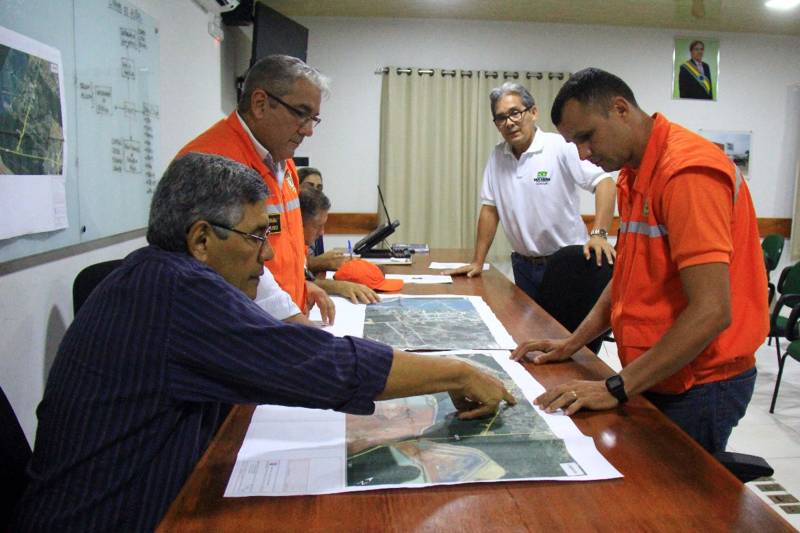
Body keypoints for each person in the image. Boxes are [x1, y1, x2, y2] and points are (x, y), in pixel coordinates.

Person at [11, 153, 515, 532]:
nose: (269, 252)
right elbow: (322, 365)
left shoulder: (152, 276)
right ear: (202, 239)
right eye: (255, 236)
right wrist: (460, 371)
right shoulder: (178, 293)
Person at [512, 68, 768, 454]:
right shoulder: (636, 174)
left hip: (700, 384)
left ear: (620, 109)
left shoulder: (685, 172)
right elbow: (627, 279)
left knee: (673, 504)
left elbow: (712, 311)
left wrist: (616, 387)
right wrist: (573, 344)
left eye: (586, 137)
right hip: (659, 373)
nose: (583, 153)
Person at [176, 54, 334, 323]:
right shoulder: (214, 162)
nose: (309, 130)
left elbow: (283, 247)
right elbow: (224, 265)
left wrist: (302, 284)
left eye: (314, 118)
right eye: (301, 114)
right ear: (260, 104)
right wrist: (297, 324)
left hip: (280, 322)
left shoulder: (283, 162)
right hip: (245, 328)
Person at [445, 82, 617, 304]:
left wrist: (599, 234)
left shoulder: (559, 146)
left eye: (515, 113)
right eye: (501, 118)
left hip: (565, 265)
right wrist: (478, 261)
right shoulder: (498, 157)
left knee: (564, 334)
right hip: (523, 266)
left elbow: (604, 182)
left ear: (533, 112)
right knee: (529, 331)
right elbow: (489, 209)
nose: (509, 123)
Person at [300, 187, 379, 304]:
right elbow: (300, 282)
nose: (322, 232)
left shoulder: (302, 245)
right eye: (317, 226)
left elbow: (306, 279)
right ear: (299, 223)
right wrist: (340, 287)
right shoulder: (287, 245)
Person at [298, 166, 347, 273]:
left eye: (319, 187)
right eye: (309, 186)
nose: (315, 190)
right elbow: (296, 267)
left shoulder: (318, 220)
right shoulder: (295, 219)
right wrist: (321, 262)